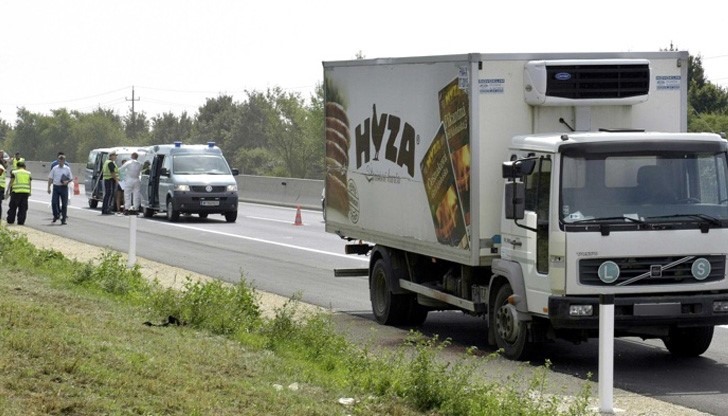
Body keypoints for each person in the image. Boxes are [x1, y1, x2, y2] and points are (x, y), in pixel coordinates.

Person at [47, 154, 73, 225]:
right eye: (59, 161)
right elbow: (50, 178)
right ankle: (56, 215)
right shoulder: (55, 168)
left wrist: (67, 181)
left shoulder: (67, 168)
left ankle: (63, 219)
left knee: (64, 204)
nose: (60, 162)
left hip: (64, 188)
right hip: (56, 187)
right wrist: (49, 187)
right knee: (54, 202)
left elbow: (71, 178)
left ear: (64, 161)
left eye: (61, 161)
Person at [6, 161, 31, 225]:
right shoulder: (28, 173)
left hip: (16, 192)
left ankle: (11, 220)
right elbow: (29, 183)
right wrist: (30, 192)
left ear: (17, 166)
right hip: (25, 193)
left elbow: (11, 182)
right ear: (24, 166)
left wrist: (8, 190)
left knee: (13, 207)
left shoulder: (14, 172)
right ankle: (21, 222)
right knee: (23, 208)